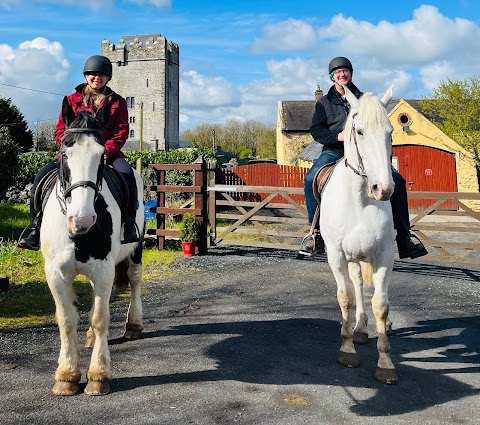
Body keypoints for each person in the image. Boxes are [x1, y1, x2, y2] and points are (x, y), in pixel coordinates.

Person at [299, 56, 427, 260]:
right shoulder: (323, 103)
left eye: (345, 71)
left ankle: (405, 238)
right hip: (335, 150)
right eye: (338, 72)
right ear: (332, 77)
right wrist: (337, 136)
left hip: (364, 154)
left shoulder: (365, 100)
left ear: (351, 74)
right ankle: (315, 234)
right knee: (309, 179)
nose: (342, 74)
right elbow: (316, 130)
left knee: (399, 182)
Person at [18, 55, 140, 250]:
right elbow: (60, 130)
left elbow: (122, 130)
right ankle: (35, 227)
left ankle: (128, 224)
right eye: (93, 74)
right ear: (86, 76)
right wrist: (70, 147)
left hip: (106, 153)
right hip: (73, 154)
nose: (96, 78)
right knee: (40, 178)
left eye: (101, 75)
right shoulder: (71, 100)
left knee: (127, 175)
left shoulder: (118, 102)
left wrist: (105, 151)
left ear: (107, 78)